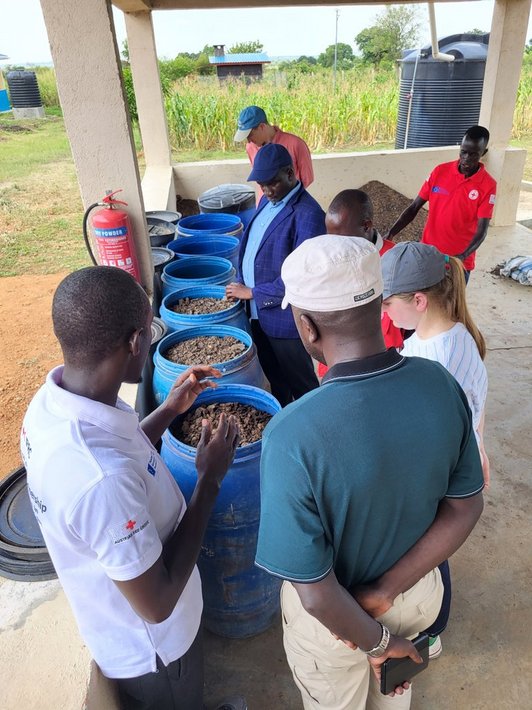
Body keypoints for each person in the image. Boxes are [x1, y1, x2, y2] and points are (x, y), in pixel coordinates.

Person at [255, 235, 484, 710]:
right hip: (415, 594)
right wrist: (386, 594)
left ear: (307, 327)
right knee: (395, 695)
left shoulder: (292, 435)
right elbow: (466, 506)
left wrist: (377, 643)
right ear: (379, 302)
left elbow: (316, 593)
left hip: (338, 626)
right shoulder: (440, 384)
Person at [20, 266, 243, 710]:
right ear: (137, 343)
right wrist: (210, 480)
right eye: (148, 329)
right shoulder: (99, 481)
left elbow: (118, 448)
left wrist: (169, 408)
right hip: (154, 652)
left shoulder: (56, 401)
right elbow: (157, 603)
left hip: (132, 622)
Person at [226, 143, 324, 406]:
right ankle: (283, 417)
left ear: (290, 174)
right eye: (262, 185)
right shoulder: (267, 201)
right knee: (276, 379)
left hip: (285, 321)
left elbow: (304, 276)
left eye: (272, 183)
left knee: (303, 386)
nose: (267, 190)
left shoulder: (309, 215)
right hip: (259, 314)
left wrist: (254, 292)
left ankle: (313, 433)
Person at [385, 125, 497, 282]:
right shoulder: (440, 172)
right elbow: (414, 207)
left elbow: (482, 231)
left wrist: (462, 257)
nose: (466, 158)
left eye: (473, 154)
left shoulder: (488, 185)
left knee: (450, 306)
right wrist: (391, 232)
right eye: (463, 152)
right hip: (427, 254)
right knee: (421, 301)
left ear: (483, 153)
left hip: (457, 262)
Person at [317, 188, 404, 378]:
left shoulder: (396, 260)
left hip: (381, 362)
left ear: (366, 226)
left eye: (342, 239)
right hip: (339, 360)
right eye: (331, 237)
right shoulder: (331, 257)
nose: (336, 246)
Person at [234, 105, 314, 203]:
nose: (249, 140)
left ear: (262, 126)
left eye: (250, 135)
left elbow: (307, 178)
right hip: (263, 205)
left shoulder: (296, 144)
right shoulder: (250, 147)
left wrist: (285, 202)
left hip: (290, 205)